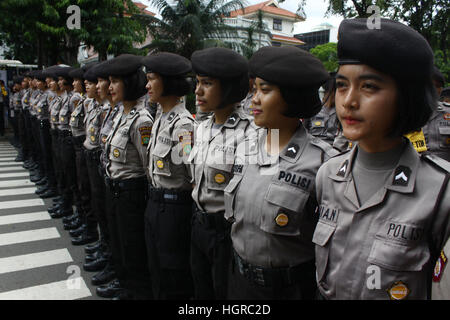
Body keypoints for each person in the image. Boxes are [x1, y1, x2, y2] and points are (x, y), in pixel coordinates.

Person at [313, 18, 450, 300]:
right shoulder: (327, 175)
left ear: (406, 97)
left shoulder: (440, 192)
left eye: (369, 87)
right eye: (341, 85)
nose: (349, 101)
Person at [224, 46, 336, 300]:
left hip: (289, 289)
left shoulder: (322, 164)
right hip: (239, 281)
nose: (254, 99)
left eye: (265, 90)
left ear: (291, 96)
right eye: (254, 90)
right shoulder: (244, 148)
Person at [188, 47, 255, 299]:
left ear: (228, 87)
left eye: (207, 83)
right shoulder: (202, 128)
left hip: (225, 233)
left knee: (222, 292)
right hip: (198, 225)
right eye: (197, 82)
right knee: (200, 287)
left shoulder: (250, 134)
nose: (198, 91)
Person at [95, 54, 153, 300]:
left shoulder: (141, 120)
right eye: (109, 81)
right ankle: (121, 280)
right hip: (115, 188)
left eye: (115, 81)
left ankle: (135, 289)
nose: (109, 87)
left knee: (132, 246)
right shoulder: (121, 113)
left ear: (129, 83)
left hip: (131, 192)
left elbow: (147, 165)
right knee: (118, 241)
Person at [141, 52, 196, 299]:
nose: (147, 85)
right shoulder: (161, 117)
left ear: (169, 83)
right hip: (155, 203)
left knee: (172, 275)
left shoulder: (183, 125)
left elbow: (191, 172)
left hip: (174, 210)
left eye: (152, 79)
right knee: (156, 270)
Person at [304, 72, 340, 146]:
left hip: (334, 151)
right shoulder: (314, 109)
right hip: (311, 148)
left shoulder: (341, 112)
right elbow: (303, 131)